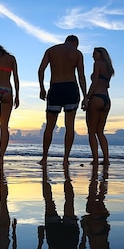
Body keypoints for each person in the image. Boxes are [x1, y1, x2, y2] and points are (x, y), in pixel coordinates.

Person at [35, 167, 86, 249]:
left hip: (70, 242)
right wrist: (40, 239)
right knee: (49, 202)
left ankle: (67, 176)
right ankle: (45, 177)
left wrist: (85, 232)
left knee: (69, 202)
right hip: (55, 241)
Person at [38, 35, 87, 166]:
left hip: (56, 87)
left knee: (49, 126)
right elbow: (81, 76)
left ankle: (44, 158)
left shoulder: (51, 50)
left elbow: (41, 70)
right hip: (71, 87)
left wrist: (42, 88)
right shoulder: (77, 53)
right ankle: (65, 159)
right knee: (70, 125)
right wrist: (85, 96)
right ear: (75, 43)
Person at [82, 47, 115, 165]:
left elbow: (95, 82)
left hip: (96, 97)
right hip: (106, 99)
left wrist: (87, 97)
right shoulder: (109, 68)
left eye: (94, 54)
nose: (92, 56)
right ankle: (106, 159)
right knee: (100, 132)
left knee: (91, 132)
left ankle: (95, 160)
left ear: (101, 54)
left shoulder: (98, 64)